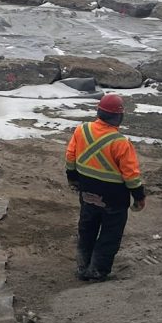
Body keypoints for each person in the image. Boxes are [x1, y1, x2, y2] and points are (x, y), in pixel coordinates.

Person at [65, 92, 146, 281]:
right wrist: (139, 196)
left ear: (99, 112)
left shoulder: (81, 130)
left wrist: (73, 178)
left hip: (87, 191)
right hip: (114, 198)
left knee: (87, 228)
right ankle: (97, 271)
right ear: (119, 116)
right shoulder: (121, 143)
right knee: (110, 234)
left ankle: (83, 266)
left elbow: (70, 156)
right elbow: (131, 175)